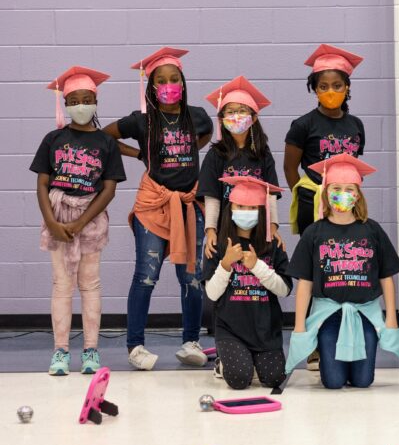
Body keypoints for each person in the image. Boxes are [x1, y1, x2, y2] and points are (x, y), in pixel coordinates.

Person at [103, 47, 213, 371]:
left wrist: (195, 147)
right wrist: (138, 155)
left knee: (192, 279)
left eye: (173, 79)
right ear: (151, 87)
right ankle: (136, 346)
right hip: (153, 206)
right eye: (160, 81)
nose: (168, 85)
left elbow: (205, 134)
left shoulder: (197, 116)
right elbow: (106, 136)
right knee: (146, 276)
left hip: (188, 205)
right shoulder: (142, 121)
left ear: (182, 81)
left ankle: (191, 342)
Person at [31, 66, 126, 375]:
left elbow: (109, 189)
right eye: (75, 100)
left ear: (96, 101)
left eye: (87, 99)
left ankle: (90, 350)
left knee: (90, 284)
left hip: (91, 219)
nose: (82, 105)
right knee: (61, 284)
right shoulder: (53, 139)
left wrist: (82, 222)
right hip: (58, 216)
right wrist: (53, 223)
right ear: (66, 104)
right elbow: (43, 184)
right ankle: (60, 351)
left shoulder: (106, 143)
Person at [285, 154, 399, 389]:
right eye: (336, 188)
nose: (342, 194)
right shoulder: (314, 233)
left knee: (363, 382)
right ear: (326, 192)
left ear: (357, 194)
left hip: (364, 314)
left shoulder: (372, 230)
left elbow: (386, 278)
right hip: (328, 316)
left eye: (349, 189)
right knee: (333, 382)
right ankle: (329, 364)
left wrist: (391, 318)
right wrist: (300, 324)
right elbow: (305, 284)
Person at [204, 176, 291, 390]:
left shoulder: (273, 244)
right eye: (240, 206)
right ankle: (224, 361)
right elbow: (212, 295)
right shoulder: (218, 245)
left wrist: (257, 266)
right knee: (239, 380)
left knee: (274, 379)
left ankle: (251, 358)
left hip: (265, 329)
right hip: (231, 329)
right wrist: (225, 264)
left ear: (262, 211)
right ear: (230, 208)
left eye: (253, 207)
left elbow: (285, 289)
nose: (246, 211)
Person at [284, 44, 366, 236]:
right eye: (323, 86)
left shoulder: (356, 125)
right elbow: (289, 168)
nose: (330, 91)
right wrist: (306, 194)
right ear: (315, 89)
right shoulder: (303, 125)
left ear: (347, 87)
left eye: (337, 85)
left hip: (346, 200)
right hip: (312, 201)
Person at [199, 76, 282, 260]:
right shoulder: (216, 155)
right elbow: (212, 197)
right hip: (225, 229)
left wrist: (273, 228)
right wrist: (211, 231)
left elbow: (271, 194)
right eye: (230, 112)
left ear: (253, 117)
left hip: (258, 230)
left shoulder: (263, 154)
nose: (236, 116)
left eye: (242, 111)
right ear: (222, 119)